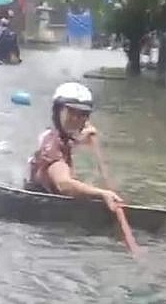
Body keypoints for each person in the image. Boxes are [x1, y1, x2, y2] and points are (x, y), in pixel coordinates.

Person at [26, 82, 122, 211]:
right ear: (58, 111)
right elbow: (63, 184)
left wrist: (81, 138)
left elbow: (68, 144)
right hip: (44, 214)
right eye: (71, 112)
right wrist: (101, 193)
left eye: (82, 114)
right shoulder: (52, 146)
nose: (76, 119)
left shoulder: (59, 137)